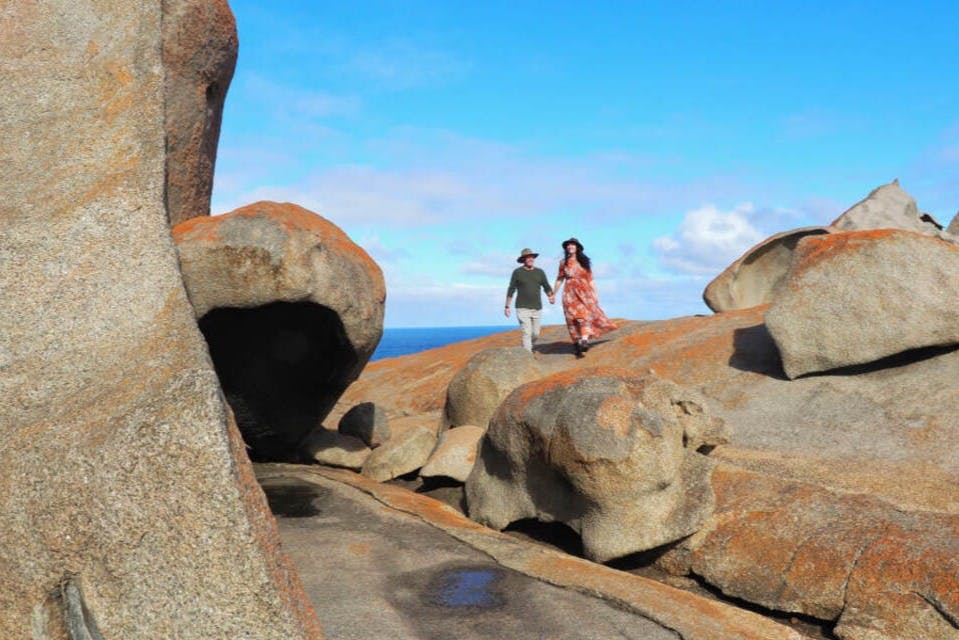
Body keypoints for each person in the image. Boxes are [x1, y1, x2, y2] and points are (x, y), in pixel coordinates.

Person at [552, 237, 616, 357]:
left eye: (573, 245)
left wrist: (595, 294)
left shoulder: (584, 261)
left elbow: (590, 279)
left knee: (584, 316)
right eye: (568, 245)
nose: (570, 247)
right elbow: (560, 279)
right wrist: (553, 293)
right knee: (572, 318)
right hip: (569, 293)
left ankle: (585, 340)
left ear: (577, 248)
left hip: (585, 292)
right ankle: (576, 343)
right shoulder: (563, 263)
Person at [505, 248, 555, 352]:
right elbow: (511, 289)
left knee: (536, 333)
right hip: (522, 308)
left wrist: (550, 296)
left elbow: (546, 286)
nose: (530, 259)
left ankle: (526, 347)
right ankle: (527, 355)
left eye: (531, 257)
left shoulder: (540, 272)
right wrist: (507, 306)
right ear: (523, 259)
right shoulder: (517, 272)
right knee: (527, 332)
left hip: (537, 307)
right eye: (527, 257)